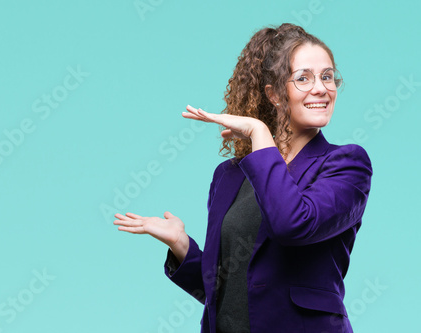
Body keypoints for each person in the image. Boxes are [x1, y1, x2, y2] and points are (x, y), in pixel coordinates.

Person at [113, 23, 372, 333]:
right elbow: (226, 294)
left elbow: (293, 224)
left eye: (327, 77)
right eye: (303, 78)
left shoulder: (346, 164)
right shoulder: (230, 175)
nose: (321, 88)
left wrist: (260, 133)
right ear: (275, 94)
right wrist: (182, 246)